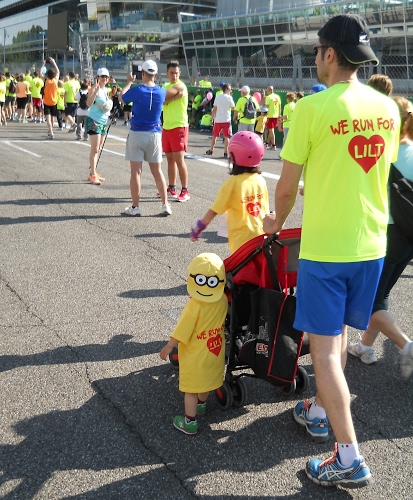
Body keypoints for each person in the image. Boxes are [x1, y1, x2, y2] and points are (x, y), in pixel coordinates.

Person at [263, 14, 400, 489]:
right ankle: (320, 409)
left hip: (327, 249)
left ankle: (349, 456)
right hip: (371, 244)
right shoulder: (388, 109)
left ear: (328, 53)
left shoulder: (311, 109)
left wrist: (274, 224)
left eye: (318, 51)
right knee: (338, 335)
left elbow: (285, 189)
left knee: (322, 352)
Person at [347, 95, 413, 380]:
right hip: (409, 236)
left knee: (367, 300)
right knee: (381, 293)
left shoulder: (385, 152)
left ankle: (406, 345)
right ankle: (365, 347)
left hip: (386, 233)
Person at [160, 252, 227, 435]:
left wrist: (169, 346)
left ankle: (189, 422)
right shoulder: (223, 299)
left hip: (195, 354)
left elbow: (183, 329)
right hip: (214, 350)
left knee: (190, 389)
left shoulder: (194, 305)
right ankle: (201, 405)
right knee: (206, 382)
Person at [191, 131, 268, 254]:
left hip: (242, 240)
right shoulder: (261, 180)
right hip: (262, 236)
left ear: (232, 157)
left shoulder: (232, 183)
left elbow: (214, 210)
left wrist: (199, 228)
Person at [121, 60, 172, 216]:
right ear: (155, 74)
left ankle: (135, 207)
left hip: (137, 133)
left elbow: (122, 98)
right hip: (154, 133)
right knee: (157, 171)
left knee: (136, 172)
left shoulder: (137, 90)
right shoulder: (161, 91)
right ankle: (165, 204)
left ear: (142, 73)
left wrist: (129, 82)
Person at [162, 60, 190, 202]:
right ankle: (172, 188)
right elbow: (162, 99)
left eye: (176, 73)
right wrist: (173, 97)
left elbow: (164, 98)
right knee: (170, 159)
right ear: (167, 73)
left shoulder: (181, 85)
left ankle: (185, 190)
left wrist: (168, 99)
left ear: (180, 73)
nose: (174, 75)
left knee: (179, 160)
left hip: (179, 125)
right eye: (172, 73)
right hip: (167, 126)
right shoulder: (165, 86)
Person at [85, 67, 113, 185]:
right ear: (98, 77)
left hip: (103, 121)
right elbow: (88, 103)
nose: (105, 78)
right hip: (94, 120)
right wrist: (95, 93)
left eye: (106, 77)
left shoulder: (105, 90)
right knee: (95, 148)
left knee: (99, 148)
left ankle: (93, 172)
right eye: (102, 76)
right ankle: (92, 174)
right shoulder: (94, 88)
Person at [205, 83, 234, 158]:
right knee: (226, 136)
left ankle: (211, 150)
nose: (231, 91)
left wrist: (212, 119)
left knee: (215, 135)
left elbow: (214, 109)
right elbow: (233, 107)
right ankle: (225, 152)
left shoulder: (218, 97)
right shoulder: (229, 98)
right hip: (226, 119)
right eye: (230, 89)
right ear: (226, 89)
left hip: (218, 119)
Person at [41, 58, 60, 139]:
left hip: (46, 102)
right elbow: (58, 71)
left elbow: (40, 73)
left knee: (48, 118)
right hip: (54, 102)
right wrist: (54, 62)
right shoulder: (55, 80)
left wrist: (43, 64)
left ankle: (50, 131)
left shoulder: (46, 80)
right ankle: (50, 130)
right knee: (52, 118)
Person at [265, 85, 281, 150]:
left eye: (267, 90)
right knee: (271, 130)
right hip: (276, 116)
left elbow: (266, 108)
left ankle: (274, 145)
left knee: (271, 131)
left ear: (269, 90)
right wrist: (279, 115)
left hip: (270, 116)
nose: (267, 91)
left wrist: (265, 116)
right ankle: (267, 143)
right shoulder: (277, 97)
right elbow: (279, 106)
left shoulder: (268, 97)